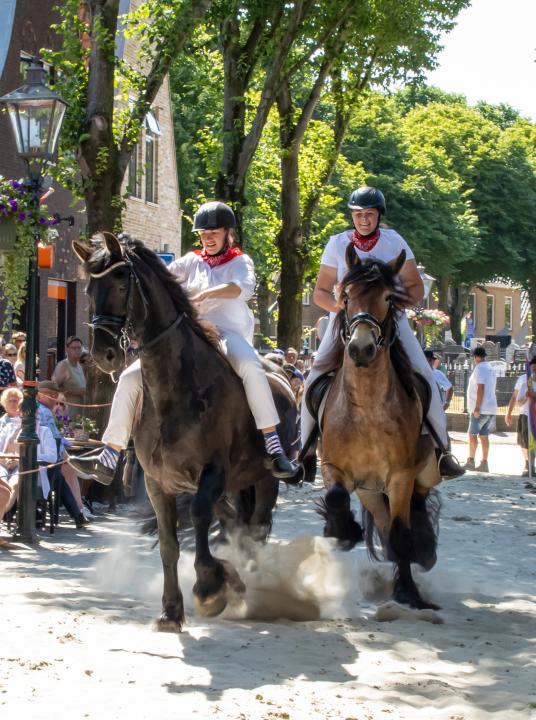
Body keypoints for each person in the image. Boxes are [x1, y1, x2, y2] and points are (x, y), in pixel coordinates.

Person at [69, 201, 300, 483]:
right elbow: (157, 277)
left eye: (215, 232)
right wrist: (127, 260)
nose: (208, 237)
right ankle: (109, 454)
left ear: (229, 234)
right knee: (129, 378)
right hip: (193, 334)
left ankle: (273, 445)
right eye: (204, 233)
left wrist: (202, 295)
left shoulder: (240, 261)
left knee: (251, 367)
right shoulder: (191, 261)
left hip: (228, 335)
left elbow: (239, 288)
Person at [300, 186, 463, 478]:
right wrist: (338, 306)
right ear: (352, 216)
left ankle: (442, 450)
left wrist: (392, 306)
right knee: (313, 378)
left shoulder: (394, 241)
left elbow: (415, 286)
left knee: (424, 375)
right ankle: (305, 452)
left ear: (378, 216)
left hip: (389, 320)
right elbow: (320, 292)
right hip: (344, 321)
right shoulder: (336, 243)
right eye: (359, 214)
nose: (364, 220)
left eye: (370, 214)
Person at [37, 381, 90, 521]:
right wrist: (63, 455)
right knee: (64, 473)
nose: (54, 398)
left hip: (44, 458)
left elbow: (56, 436)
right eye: (50, 394)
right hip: (42, 459)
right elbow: (54, 439)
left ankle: (78, 513)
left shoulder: (45, 410)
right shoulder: (43, 411)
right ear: (39, 395)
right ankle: (78, 512)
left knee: (62, 474)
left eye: (55, 394)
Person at [465, 347, 497, 473]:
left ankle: (471, 461)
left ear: (476, 357)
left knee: (472, 435)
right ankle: (484, 463)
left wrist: (477, 407)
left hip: (481, 408)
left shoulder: (480, 368)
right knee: (484, 436)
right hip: (490, 407)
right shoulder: (490, 368)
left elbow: (481, 388)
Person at [506, 359, 536, 476]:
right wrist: (508, 413)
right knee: (524, 441)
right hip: (526, 415)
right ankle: (528, 464)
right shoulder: (524, 380)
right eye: (533, 368)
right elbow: (517, 400)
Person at [52, 335, 87, 420]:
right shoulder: (63, 366)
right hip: (65, 416)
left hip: (78, 415)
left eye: (79, 348)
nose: (77, 350)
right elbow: (53, 388)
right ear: (67, 349)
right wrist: (77, 391)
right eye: (74, 348)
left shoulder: (80, 366)